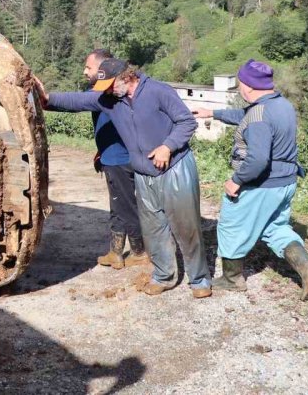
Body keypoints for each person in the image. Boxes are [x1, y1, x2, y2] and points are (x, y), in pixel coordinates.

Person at [34, 59, 212, 299]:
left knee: (186, 226)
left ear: (126, 77)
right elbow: (78, 100)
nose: (106, 90)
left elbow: (187, 121)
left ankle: (199, 280)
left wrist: (167, 147)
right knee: (153, 229)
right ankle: (164, 276)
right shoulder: (110, 101)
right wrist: (47, 99)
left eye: (109, 85)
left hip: (175, 168)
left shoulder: (159, 91)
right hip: (143, 172)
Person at [193, 59, 308, 300]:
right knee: (276, 228)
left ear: (249, 86)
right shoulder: (281, 104)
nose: (240, 89)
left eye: (240, 84)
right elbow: (244, 115)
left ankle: (232, 279)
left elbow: (258, 159)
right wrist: (212, 112)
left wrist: (236, 180)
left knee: (231, 226)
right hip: (285, 182)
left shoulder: (259, 116)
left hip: (261, 185)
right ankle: (307, 269)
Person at [83, 49, 147, 269]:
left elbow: (72, 102)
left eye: (89, 67)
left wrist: (46, 99)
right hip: (111, 155)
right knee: (118, 205)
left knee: (125, 206)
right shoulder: (105, 92)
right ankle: (116, 252)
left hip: (120, 159)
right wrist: (102, 150)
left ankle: (139, 252)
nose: (85, 72)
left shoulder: (109, 94)